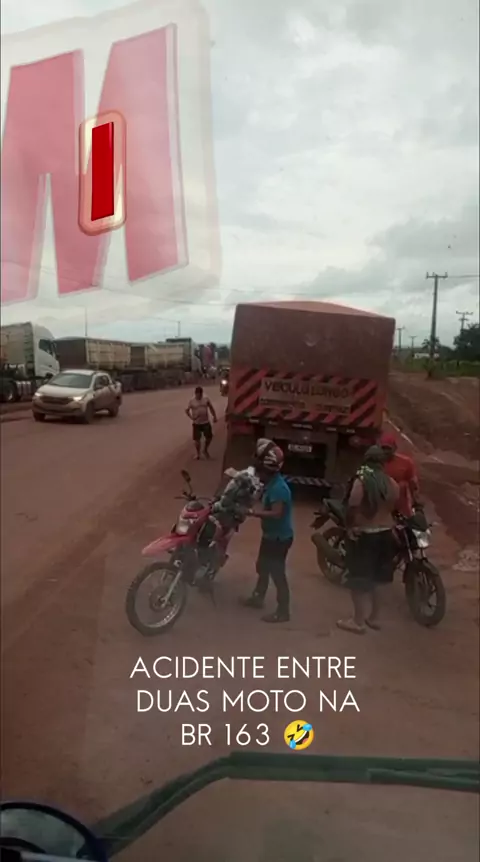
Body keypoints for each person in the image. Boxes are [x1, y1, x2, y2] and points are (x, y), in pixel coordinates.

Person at [337, 446, 399, 635]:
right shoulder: (391, 483)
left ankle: (358, 621)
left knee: (358, 579)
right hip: (386, 533)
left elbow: (353, 504)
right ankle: (374, 618)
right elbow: (393, 505)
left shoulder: (362, 480)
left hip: (366, 535)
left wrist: (350, 526)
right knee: (378, 579)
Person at [240, 439, 294, 623]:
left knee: (277, 573)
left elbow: (277, 513)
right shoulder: (271, 484)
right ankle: (258, 596)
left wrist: (253, 513)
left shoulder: (279, 489)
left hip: (279, 538)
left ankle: (283, 611)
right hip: (271, 535)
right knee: (263, 566)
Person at [379, 431, 420, 518]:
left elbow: (413, 483)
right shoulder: (376, 463)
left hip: (401, 502)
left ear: (394, 448)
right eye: (383, 448)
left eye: (388, 448)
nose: (386, 451)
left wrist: (415, 500)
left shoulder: (406, 462)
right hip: (382, 502)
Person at [186, 386, 217, 459]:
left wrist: (214, 416)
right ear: (195, 394)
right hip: (196, 423)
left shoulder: (206, 399)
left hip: (205, 422)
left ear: (202, 394)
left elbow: (211, 408)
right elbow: (187, 410)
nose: (199, 396)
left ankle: (205, 450)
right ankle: (198, 454)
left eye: (200, 395)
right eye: (197, 395)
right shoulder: (192, 401)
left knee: (209, 437)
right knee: (197, 440)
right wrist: (191, 417)